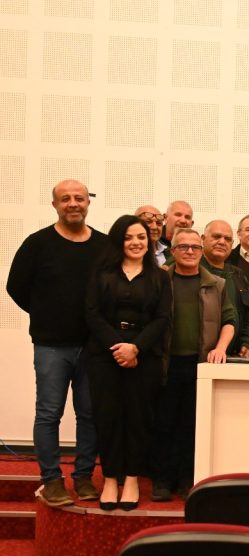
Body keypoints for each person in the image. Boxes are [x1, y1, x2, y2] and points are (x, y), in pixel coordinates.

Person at [6, 179, 107, 506]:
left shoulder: (104, 246)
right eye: (65, 199)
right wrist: (46, 313)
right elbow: (15, 287)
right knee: (49, 414)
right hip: (51, 346)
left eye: (79, 198)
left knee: (90, 415)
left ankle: (83, 477)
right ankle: (51, 480)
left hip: (92, 346)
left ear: (88, 203)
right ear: (55, 205)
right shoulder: (38, 244)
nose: (73, 203)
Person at [84, 215, 171, 511]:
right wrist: (118, 348)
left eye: (141, 237)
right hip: (104, 355)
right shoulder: (101, 273)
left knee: (138, 418)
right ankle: (110, 479)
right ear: (118, 241)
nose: (136, 243)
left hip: (144, 356)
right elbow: (92, 314)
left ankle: (131, 478)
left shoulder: (160, 277)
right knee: (107, 418)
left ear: (149, 242)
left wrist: (135, 348)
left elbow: (162, 318)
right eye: (129, 237)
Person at [151, 228, 235, 501]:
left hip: (199, 366)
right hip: (164, 363)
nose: (190, 251)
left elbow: (230, 321)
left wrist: (220, 348)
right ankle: (162, 480)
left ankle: (188, 478)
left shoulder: (217, 284)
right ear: (173, 251)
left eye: (195, 247)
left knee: (191, 425)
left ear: (201, 251)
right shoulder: (159, 280)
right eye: (183, 247)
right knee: (163, 423)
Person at [200, 220, 249, 357]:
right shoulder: (193, 270)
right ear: (203, 239)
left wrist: (246, 344)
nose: (222, 242)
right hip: (199, 356)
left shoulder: (238, 275)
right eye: (216, 236)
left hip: (232, 357)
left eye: (227, 239)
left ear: (232, 244)